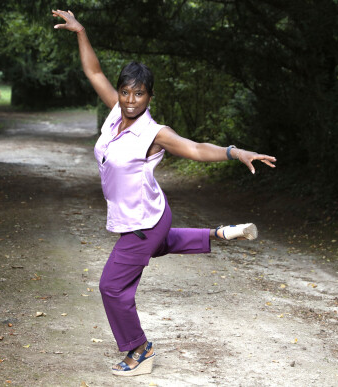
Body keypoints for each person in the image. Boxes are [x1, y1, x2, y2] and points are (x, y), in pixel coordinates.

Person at [52, 9, 276, 377]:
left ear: (149, 97)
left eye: (138, 93)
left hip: (144, 220)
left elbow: (197, 149)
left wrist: (236, 152)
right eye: (125, 91)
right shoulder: (114, 114)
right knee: (159, 243)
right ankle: (218, 233)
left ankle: (140, 349)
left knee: (111, 286)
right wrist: (81, 31)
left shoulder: (153, 132)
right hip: (145, 217)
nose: (129, 99)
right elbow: (94, 71)